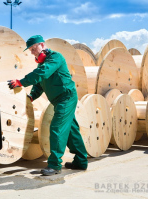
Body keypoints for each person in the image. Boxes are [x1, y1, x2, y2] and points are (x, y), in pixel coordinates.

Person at [8, 35, 88, 176]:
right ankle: (81, 161)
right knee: (71, 130)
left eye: (34, 48)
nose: (33, 51)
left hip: (66, 98)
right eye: (31, 50)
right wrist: (31, 96)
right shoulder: (42, 64)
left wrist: (21, 82)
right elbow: (39, 85)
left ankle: (54, 165)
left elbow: (43, 73)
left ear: (42, 45)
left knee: (57, 128)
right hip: (58, 100)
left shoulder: (55, 58)